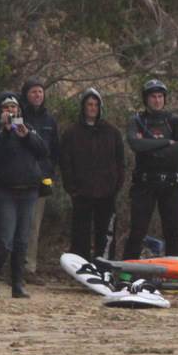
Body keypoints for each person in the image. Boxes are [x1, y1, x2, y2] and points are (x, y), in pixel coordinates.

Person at [0, 92, 49, 297]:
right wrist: (4, 131)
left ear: (19, 110)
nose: (10, 111)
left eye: (13, 107)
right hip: (5, 191)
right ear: (0, 111)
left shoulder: (27, 128)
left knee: (22, 240)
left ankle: (17, 285)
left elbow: (43, 151)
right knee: (5, 239)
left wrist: (27, 136)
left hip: (28, 190)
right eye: (6, 107)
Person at [123, 79, 178, 258]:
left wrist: (151, 148)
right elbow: (136, 144)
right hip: (144, 184)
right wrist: (167, 142)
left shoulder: (174, 121)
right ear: (146, 99)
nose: (157, 100)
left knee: (172, 233)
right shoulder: (137, 121)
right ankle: (127, 270)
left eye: (160, 96)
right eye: (153, 97)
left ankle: (176, 272)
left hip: (171, 185)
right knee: (137, 231)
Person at [60, 87, 123, 260]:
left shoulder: (112, 132)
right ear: (83, 106)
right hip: (82, 192)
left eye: (96, 104)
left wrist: (116, 186)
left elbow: (120, 162)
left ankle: (104, 265)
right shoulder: (71, 133)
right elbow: (65, 163)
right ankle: (81, 264)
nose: (92, 108)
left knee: (106, 233)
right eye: (89, 104)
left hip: (106, 193)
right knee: (80, 233)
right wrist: (71, 188)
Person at [18, 79, 59, 276]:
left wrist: (50, 172)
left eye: (40, 92)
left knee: (34, 225)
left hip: (40, 179)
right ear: (26, 94)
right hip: (18, 177)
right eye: (33, 92)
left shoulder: (50, 120)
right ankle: (13, 265)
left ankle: (29, 267)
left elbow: (55, 150)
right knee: (17, 224)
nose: (37, 95)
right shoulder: (18, 117)